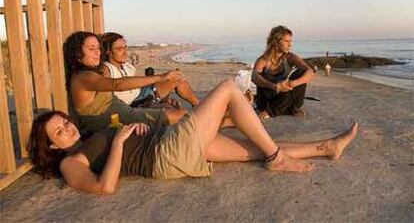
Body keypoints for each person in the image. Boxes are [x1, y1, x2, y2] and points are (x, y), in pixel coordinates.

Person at [28, 79, 358, 195]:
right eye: (59, 131)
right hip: (166, 154)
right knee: (229, 89)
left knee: (251, 148)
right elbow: (105, 187)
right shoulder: (71, 163)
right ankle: (277, 158)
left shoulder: (86, 138)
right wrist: (117, 142)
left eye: (65, 122)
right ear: (53, 145)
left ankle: (326, 147)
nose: (68, 128)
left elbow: (122, 150)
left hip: (165, 143)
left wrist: (131, 132)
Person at [63, 31, 187, 132]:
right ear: (77, 53)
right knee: (184, 116)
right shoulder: (84, 77)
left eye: (98, 48)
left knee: (179, 113)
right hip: (114, 120)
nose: (97, 53)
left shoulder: (89, 73)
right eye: (91, 49)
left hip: (125, 113)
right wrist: (161, 77)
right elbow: (117, 84)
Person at [100, 32, 199, 109]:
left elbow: (137, 83)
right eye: (119, 49)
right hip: (134, 104)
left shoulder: (126, 65)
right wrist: (161, 77)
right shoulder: (106, 69)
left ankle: (198, 106)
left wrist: (165, 96)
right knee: (177, 112)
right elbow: (117, 86)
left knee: (176, 77)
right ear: (108, 51)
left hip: (141, 94)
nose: (125, 52)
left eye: (125, 47)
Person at [252, 26, 314, 119]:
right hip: (268, 100)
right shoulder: (263, 60)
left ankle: (288, 108)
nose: (290, 45)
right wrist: (276, 86)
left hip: (284, 96)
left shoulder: (290, 57)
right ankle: (274, 110)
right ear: (276, 42)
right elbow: (254, 77)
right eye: (286, 41)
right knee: (263, 77)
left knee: (302, 72)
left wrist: (291, 83)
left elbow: (310, 72)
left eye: (290, 41)